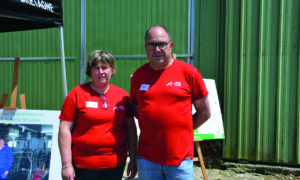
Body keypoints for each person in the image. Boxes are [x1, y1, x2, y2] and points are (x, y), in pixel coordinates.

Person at [129, 25, 211, 179]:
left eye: (162, 44)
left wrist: (183, 130)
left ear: (170, 45)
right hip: (147, 159)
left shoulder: (189, 73)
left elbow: (205, 112)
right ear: (146, 47)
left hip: (180, 160)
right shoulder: (138, 76)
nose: (157, 49)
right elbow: (135, 108)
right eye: (152, 45)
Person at [58, 50, 137, 180]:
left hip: (115, 165)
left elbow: (130, 129)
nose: (101, 72)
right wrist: (66, 165)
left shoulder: (122, 96)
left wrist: (133, 160)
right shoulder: (77, 94)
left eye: (105, 68)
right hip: (83, 165)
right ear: (90, 71)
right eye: (96, 68)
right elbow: (64, 129)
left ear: (112, 70)